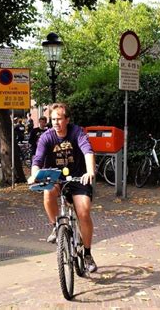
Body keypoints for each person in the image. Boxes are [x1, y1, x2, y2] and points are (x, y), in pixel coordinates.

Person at [27, 103, 97, 273]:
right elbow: (37, 161)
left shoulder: (77, 132)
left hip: (78, 177)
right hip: (56, 177)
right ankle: (55, 227)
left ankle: (87, 254)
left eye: (59, 119)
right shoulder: (46, 137)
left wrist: (89, 171)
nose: (56, 122)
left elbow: (88, 151)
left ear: (67, 119)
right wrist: (34, 174)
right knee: (48, 191)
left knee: (84, 211)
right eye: (53, 119)